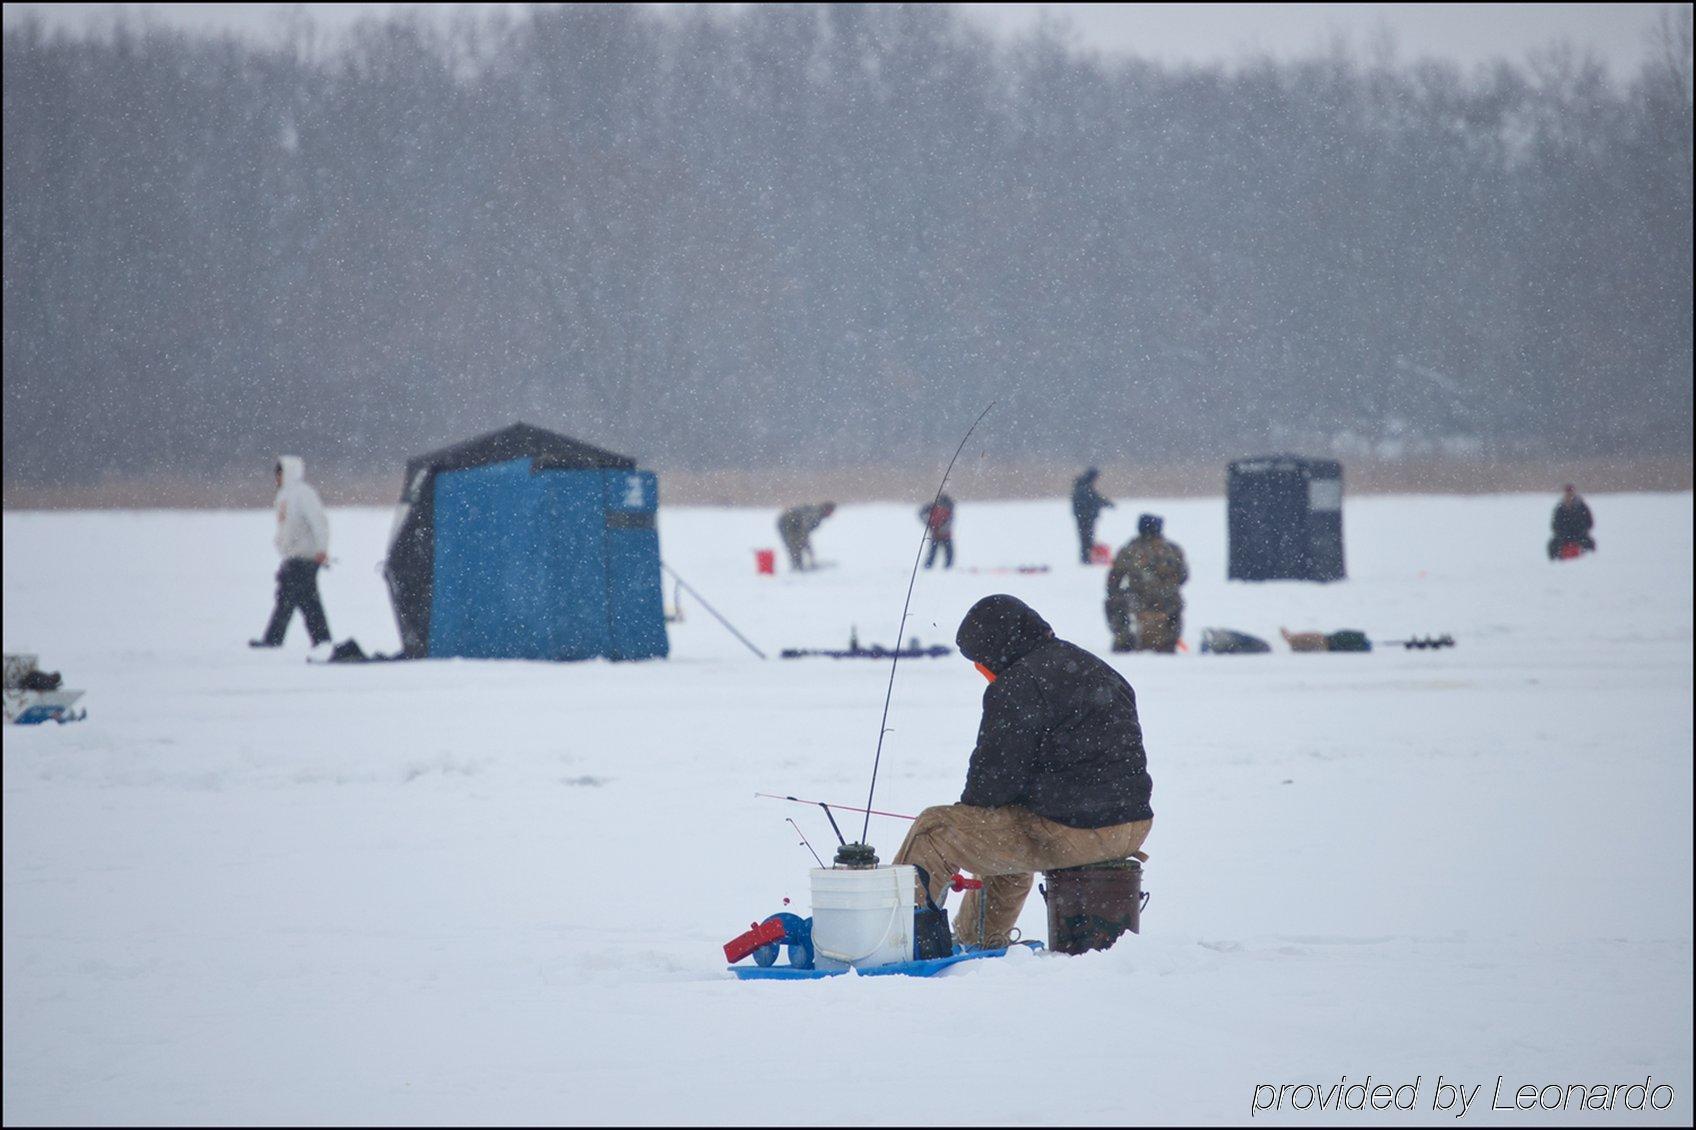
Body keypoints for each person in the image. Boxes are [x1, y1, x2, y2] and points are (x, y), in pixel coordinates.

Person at [893, 594, 1154, 952]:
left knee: (936, 830)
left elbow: (991, 783)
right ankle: (978, 939)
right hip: (1131, 824)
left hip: (1077, 832)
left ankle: (894, 938)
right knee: (1001, 830)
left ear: (995, 649)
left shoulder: (1018, 684)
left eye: (980, 662)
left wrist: (968, 812)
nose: (982, 672)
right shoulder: (1092, 667)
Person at [251, 455, 331, 648]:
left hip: (305, 556)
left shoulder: (304, 494)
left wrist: (322, 548)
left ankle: (273, 640)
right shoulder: (283, 496)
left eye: (278, 473)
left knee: (287, 599)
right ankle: (323, 641)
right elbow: (284, 527)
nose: (276, 478)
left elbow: (319, 522)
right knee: (307, 602)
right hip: (292, 556)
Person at [1106, 514, 1189, 653]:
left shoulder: (1130, 549)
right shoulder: (1172, 549)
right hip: (1167, 599)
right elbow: (1183, 577)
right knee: (1176, 604)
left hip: (1137, 598)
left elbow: (1114, 579)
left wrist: (1116, 594)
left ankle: (1124, 640)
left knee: (1115, 602)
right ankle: (1169, 641)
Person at [776, 501, 836, 571]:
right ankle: (797, 567)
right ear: (827, 510)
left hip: (794, 525)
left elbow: (805, 531)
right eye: (831, 512)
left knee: (798, 543)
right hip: (787, 522)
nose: (831, 515)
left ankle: (798, 566)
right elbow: (804, 528)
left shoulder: (818, 514)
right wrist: (805, 543)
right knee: (794, 544)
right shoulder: (815, 513)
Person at [1071, 468, 1114, 564]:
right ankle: (1086, 560)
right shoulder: (1084, 488)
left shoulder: (1084, 486)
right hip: (1085, 518)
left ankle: (1087, 558)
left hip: (1086, 518)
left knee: (1087, 539)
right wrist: (1105, 504)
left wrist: (1106, 503)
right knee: (1086, 539)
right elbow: (1094, 500)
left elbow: (1095, 498)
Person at [1548, 484, 1596, 560]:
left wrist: (1580, 532)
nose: (1569, 495)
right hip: (1563, 537)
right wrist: (1564, 534)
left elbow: (1589, 522)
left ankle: (1589, 561)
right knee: (1553, 545)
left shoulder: (1582, 507)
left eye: (1571, 493)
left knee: (1589, 544)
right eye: (1567, 493)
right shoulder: (1560, 508)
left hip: (1580, 535)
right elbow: (1555, 525)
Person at [918, 492, 956, 569]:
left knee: (948, 553)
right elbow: (921, 514)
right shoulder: (931, 507)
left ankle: (948, 568)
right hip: (935, 535)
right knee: (932, 553)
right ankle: (928, 567)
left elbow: (949, 522)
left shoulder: (949, 510)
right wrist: (928, 522)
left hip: (945, 535)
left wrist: (940, 529)